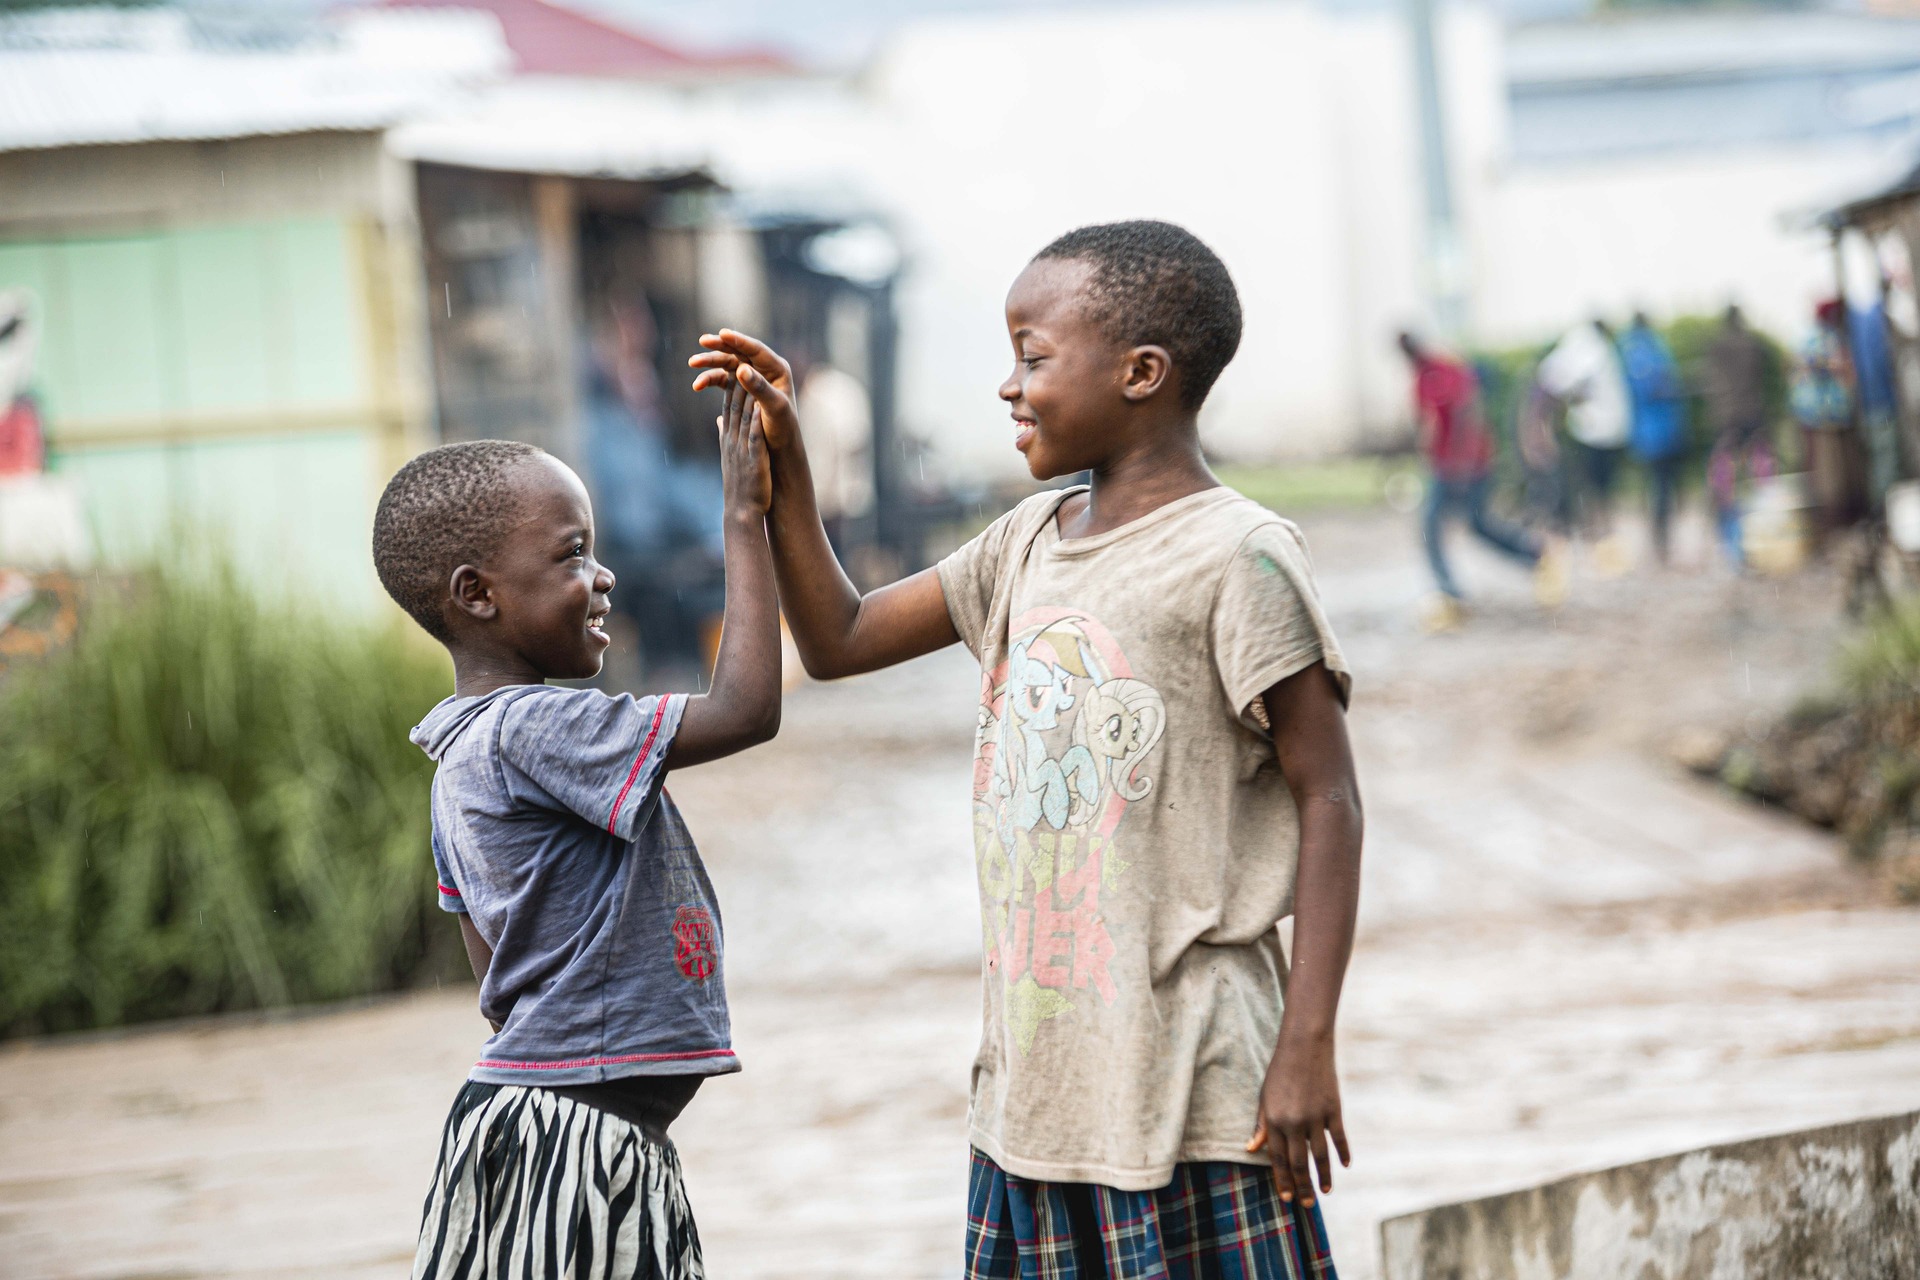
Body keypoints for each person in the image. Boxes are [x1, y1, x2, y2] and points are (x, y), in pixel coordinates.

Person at [693, 221, 1349, 1279]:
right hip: (1037, 1097)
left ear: (1141, 373)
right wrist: (789, 469)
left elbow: (1330, 798)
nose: (1008, 386)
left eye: (1033, 358)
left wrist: (1307, 1044)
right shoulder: (1026, 540)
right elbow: (841, 637)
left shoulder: (1241, 556)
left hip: (1202, 1091)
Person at [371, 369, 782, 1280]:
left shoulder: (459, 756)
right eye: (572, 556)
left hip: (541, 1132)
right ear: (478, 595)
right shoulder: (537, 726)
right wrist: (743, 519)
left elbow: (495, 976)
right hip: (578, 1149)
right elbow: (747, 709)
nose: (603, 577)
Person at [1396, 332, 1548, 614]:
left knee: (1471, 524)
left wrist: (1461, 463)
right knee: (1440, 525)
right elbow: (1427, 423)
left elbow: (1468, 413)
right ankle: (1450, 591)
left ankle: (1533, 552)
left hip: (1468, 464)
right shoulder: (1421, 377)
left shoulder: (1446, 369)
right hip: (1445, 465)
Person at [1536, 317, 1633, 567]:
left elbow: (1560, 381)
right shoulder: (1598, 349)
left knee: (1594, 492)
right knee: (1600, 491)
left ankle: (1601, 543)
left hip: (1595, 433)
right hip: (1605, 431)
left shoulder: (1589, 350)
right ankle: (1602, 543)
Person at [1701, 304, 1776, 567]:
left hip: (1726, 424)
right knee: (1760, 481)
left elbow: (1711, 383)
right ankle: (1761, 541)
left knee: (1725, 486)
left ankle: (1732, 548)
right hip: (1752, 419)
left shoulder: (1716, 347)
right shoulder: (1752, 345)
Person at [1791, 299, 1867, 540]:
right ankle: (1835, 520)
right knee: (1831, 469)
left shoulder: (1829, 336)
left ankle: (1844, 517)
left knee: (1840, 467)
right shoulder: (1820, 338)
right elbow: (1819, 364)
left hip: (1833, 414)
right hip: (1823, 416)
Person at [1617, 312, 1688, 564]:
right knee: (1662, 488)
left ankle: (1659, 540)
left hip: (1649, 433)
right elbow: (1657, 387)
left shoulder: (1629, 349)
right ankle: (1660, 542)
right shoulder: (1648, 349)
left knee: (1657, 487)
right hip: (1660, 432)